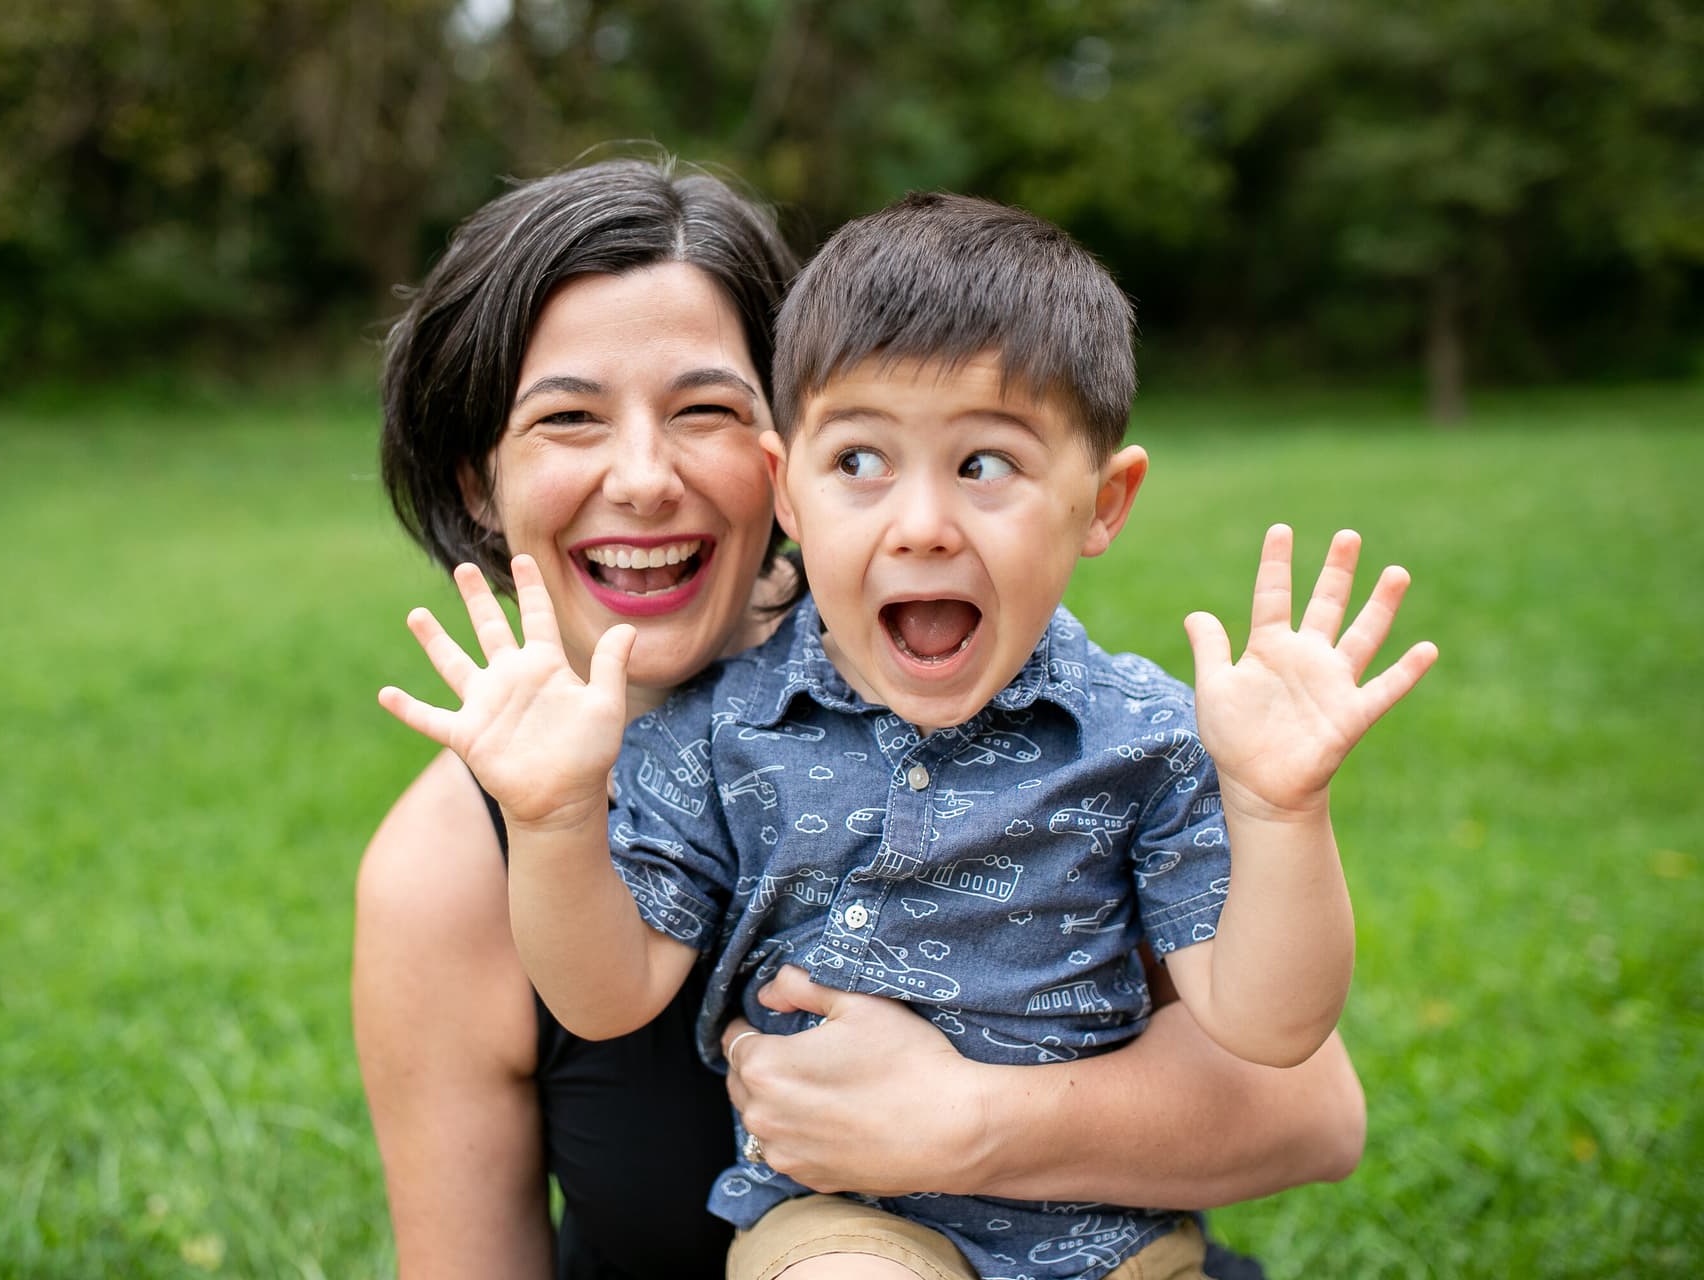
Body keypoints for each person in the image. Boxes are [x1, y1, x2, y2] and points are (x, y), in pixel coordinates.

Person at [359, 158, 1372, 1280]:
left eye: (705, 408)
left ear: (770, 462)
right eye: (567, 419)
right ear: (476, 486)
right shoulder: (459, 858)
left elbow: (1312, 1109)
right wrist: (552, 819)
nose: (644, 478)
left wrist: (968, 1119)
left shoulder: (1043, 711)